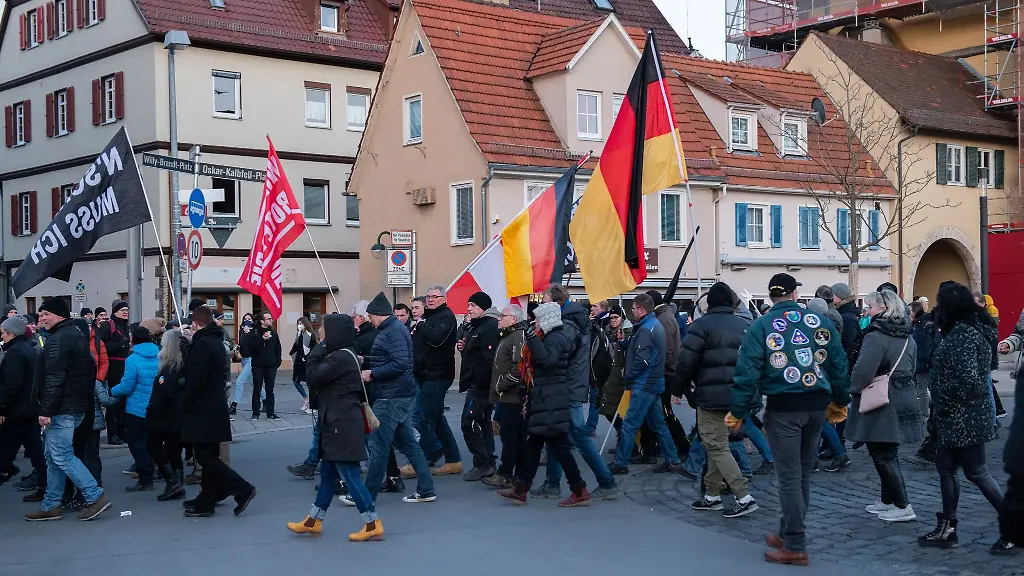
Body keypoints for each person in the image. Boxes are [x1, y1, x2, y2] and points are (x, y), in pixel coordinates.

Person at [729, 274, 850, 566]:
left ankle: (795, 542)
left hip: (783, 407)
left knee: (789, 477)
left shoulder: (762, 325)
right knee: (803, 473)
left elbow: (747, 372)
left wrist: (738, 411)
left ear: (771, 296)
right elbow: (837, 362)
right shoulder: (818, 321)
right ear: (795, 294)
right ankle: (787, 532)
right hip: (816, 405)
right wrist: (840, 399)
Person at [919, 284, 1012, 553]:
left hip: (964, 416)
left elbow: (968, 380)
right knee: (946, 468)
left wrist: (943, 398)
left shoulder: (963, 335)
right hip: (955, 415)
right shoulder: (969, 330)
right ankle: (948, 527)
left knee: (976, 471)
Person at [288, 313, 383, 540]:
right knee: (328, 475)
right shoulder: (344, 354)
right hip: (337, 422)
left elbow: (312, 375)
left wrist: (319, 346)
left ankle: (372, 522)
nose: (321, 332)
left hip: (342, 424)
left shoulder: (341, 357)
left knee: (350, 474)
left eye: (325, 329)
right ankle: (313, 520)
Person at [25, 297, 111, 521]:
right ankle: (51, 505)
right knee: (53, 456)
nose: (41, 318)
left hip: (62, 408)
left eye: (46, 314)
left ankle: (95, 497)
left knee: (62, 456)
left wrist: (46, 410)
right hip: (73, 405)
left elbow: (55, 377)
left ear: (59, 315)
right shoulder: (74, 335)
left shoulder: (59, 339)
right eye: (40, 314)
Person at [496, 302, 590, 507]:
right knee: (534, 444)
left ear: (547, 319)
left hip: (550, 398)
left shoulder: (555, 338)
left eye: (538, 319)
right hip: (546, 397)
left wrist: (530, 337)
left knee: (560, 447)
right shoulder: (551, 336)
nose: (535, 323)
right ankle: (521, 489)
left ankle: (578, 489)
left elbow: (547, 361)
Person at [677, 282, 758, 518]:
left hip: (711, 396)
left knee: (715, 445)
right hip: (739, 395)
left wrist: (677, 387)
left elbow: (686, 362)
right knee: (718, 444)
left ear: (709, 302)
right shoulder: (744, 325)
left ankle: (743, 495)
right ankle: (712, 494)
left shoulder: (701, 326)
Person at [845, 290, 920, 523]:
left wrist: (853, 387)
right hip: (904, 394)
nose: (866, 311)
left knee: (882, 453)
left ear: (883, 308)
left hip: (881, 398)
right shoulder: (907, 335)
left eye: (869, 307)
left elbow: (863, 371)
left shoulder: (876, 336)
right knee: (886, 451)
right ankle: (888, 500)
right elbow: (913, 366)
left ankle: (902, 505)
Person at [181, 305, 257, 517]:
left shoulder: (202, 343)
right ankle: (207, 498)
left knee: (205, 457)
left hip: (203, 407)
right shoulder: (215, 341)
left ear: (196, 324)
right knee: (211, 454)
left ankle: (242, 489)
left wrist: (185, 400)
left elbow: (197, 377)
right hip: (215, 405)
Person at [361, 292, 436, 503]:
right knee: (409, 444)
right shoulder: (393, 329)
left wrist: (372, 373)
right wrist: (365, 359)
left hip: (391, 396)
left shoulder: (391, 332)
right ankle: (426, 489)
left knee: (378, 444)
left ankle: (366, 494)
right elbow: (390, 357)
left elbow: (399, 363)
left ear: (379, 314)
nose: (370, 321)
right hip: (399, 393)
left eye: (371, 317)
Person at [609, 293, 685, 475]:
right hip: (653, 382)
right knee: (658, 424)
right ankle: (673, 460)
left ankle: (621, 462)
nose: (632, 312)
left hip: (644, 383)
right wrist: (626, 343)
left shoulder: (645, 329)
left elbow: (642, 360)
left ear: (641, 309)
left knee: (630, 424)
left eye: (634, 309)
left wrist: (629, 377)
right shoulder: (654, 325)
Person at [405, 285, 462, 477]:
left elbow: (436, 339)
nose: (430, 299)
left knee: (425, 418)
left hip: (438, 375)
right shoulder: (427, 317)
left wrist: (421, 325)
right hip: (423, 373)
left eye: (434, 297)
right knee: (436, 418)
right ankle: (453, 459)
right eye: (428, 296)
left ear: (443, 299)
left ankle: (418, 462)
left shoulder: (446, 317)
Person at [0, 314, 46, 501]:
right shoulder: (28, 348)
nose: (1, 336)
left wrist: (2, 408)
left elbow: (11, 385)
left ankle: (42, 483)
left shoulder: (15, 353)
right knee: (34, 448)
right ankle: (44, 484)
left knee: (7, 445)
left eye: (3, 333)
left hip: (19, 409)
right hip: (29, 407)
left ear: (12, 333)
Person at [112, 323, 161, 492]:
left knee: (137, 445)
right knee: (152, 443)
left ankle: (145, 478)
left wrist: (113, 390)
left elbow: (127, 386)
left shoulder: (132, 359)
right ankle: (164, 472)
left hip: (137, 409)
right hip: (155, 406)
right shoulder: (159, 355)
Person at [483, 304, 528, 488]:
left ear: (514, 319)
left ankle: (506, 474)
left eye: (503, 315)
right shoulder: (508, 335)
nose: (499, 318)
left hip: (512, 397)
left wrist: (500, 385)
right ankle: (517, 474)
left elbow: (519, 368)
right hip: (507, 396)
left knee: (510, 437)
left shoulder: (517, 336)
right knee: (512, 436)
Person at [457, 292, 500, 481]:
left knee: (468, 422)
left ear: (483, 307)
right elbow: (475, 353)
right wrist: (463, 348)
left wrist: (482, 383)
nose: (469, 309)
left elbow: (488, 359)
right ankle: (488, 462)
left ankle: (482, 463)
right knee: (483, 423)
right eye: (468, 305)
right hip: (477, 383)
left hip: (481, 385)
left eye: (473, 305)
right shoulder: (477, 326)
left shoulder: (489, 326)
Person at [146, 329, 187, 502]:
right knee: (173, 449)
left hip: (164, 415)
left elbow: (164, 392)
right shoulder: (181, 365)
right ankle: (178, 482)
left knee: (153, 445)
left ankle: (172, 480)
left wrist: (152, 408)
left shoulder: (170, 367)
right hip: (176, 414)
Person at [97, 299, 130, 445]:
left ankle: (122, 431)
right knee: (114, 402)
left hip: (125, 367)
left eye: (127, 310)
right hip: (113, 368)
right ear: (115, 311)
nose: (125, 312)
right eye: (122, 310)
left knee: (123, 402)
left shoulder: (126, 326)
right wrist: (120, 344)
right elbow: (101, 346)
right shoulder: (108, 325)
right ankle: (112, 433)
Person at [246, 312, 282, 420]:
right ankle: (255, 412)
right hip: (258, 365)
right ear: (262, 321)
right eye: (269, 319)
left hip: (271, 366)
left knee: (270, 390)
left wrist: (277, 361)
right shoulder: (255, 332)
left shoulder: (273, 333)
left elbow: (278, 348)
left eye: (271, 318)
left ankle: (270, 412)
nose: (271, 320)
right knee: (257, 389)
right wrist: (262, 339)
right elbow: (251, 347)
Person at [229, 313, 255, 416]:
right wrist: (237, 347)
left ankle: (234, 405)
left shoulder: (254, 331)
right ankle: (266, 400)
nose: (247, 321)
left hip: (252, 359)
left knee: (239, 381)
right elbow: (243, 344)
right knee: (253, 382)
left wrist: (248, 333)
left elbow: (254, 344)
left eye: (249, 319)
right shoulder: (242, 331)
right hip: (244, 359)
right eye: (245, 319)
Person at [290, 317, 317, 414]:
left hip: (307, 362)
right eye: (298, 323)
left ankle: (313, 405)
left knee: (310, 383)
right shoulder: (299, 334)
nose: (299, 325)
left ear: (306, 324)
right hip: (298, 362)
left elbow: (314, 349)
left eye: (301, 323)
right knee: (296, 381)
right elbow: (295, 347)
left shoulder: (310, 335)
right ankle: (306, 399)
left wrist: (308, 359)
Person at [830, 283, 860, 354]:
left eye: (832, 294)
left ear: (839, 296)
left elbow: (850, 343)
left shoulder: (847, 317)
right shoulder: (846, 312)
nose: (830, 297)